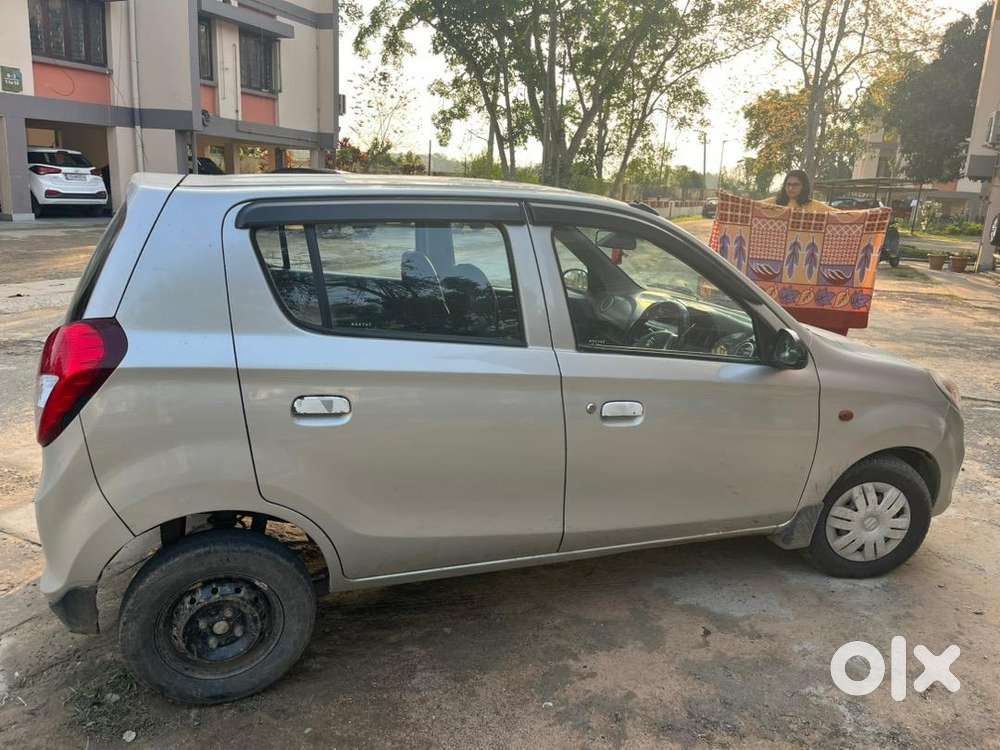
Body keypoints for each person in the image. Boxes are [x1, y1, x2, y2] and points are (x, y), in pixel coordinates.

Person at [763, 169, 833, 212]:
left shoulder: (815, 206)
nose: (790, 188)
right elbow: (753, 207)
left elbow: (840, 215)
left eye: (795, 185)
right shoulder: (774, 202)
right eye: (788, 184)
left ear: (804, 186)